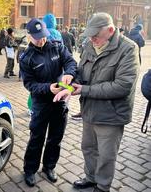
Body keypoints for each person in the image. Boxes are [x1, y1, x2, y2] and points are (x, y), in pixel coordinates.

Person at [54, 12, 140, 192]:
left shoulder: (128, 49)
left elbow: (122, 86)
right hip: (90, 110)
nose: (92, 39)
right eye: (90, 36)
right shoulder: (90, 45)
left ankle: (102, 186)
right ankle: (91, 178)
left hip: (111, 114)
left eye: (95, 36)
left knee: (106, 155)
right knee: (88, 148)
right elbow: (80, 71)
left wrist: (84, 90)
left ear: (110, 30)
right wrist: (70, 82)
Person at [19, 18, 77, 187]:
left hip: (60, 103)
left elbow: (70, 62)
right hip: (41, 104)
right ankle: (30, 170)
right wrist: (47, 88)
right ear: (29, 36)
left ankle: (49, 167)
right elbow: (29, 84)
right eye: (37, 37)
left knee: (55, 138)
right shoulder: (26, 58)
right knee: (36, 138)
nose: (41, 39)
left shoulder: (57, 46)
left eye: (43, 35)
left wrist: (70, 74)